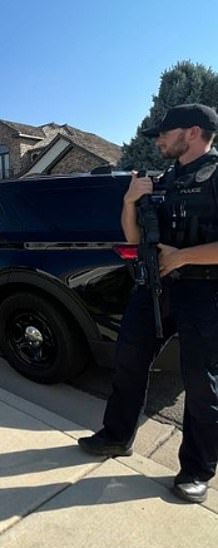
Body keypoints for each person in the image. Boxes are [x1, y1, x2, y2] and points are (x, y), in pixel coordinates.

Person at [78, 103, 218, 504]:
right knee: (128, 361)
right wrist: (129, 202)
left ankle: (196, 470)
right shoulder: (164, 178)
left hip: (203, 293)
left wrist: (184, 256)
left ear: (192, 132)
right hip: (154, 287)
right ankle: (117, 437)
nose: (157, 139)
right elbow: (135, 237)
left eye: (164, 132)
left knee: (200, 383)